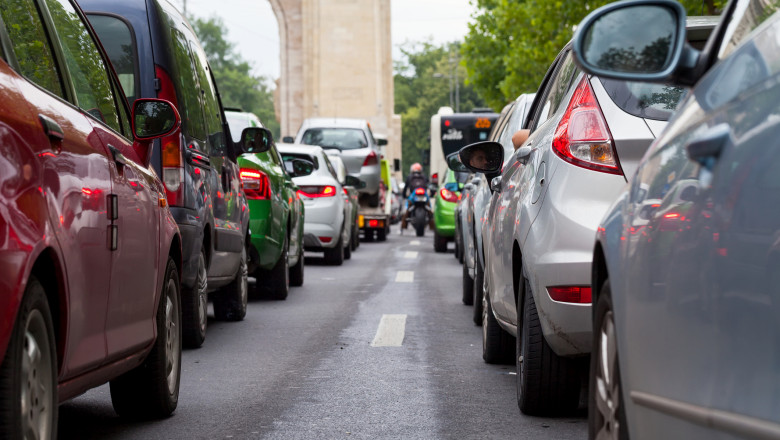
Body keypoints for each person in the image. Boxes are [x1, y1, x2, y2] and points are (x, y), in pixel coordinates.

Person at [401, 163, 430, 229]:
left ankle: (404, 225)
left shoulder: (409, 177)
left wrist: (404, 196)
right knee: (429, 207)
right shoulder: (424, 176)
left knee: (406, 208)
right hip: (424, 194)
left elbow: (406, 188)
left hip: (414, 194)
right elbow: (429, 185)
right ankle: (432, 224)